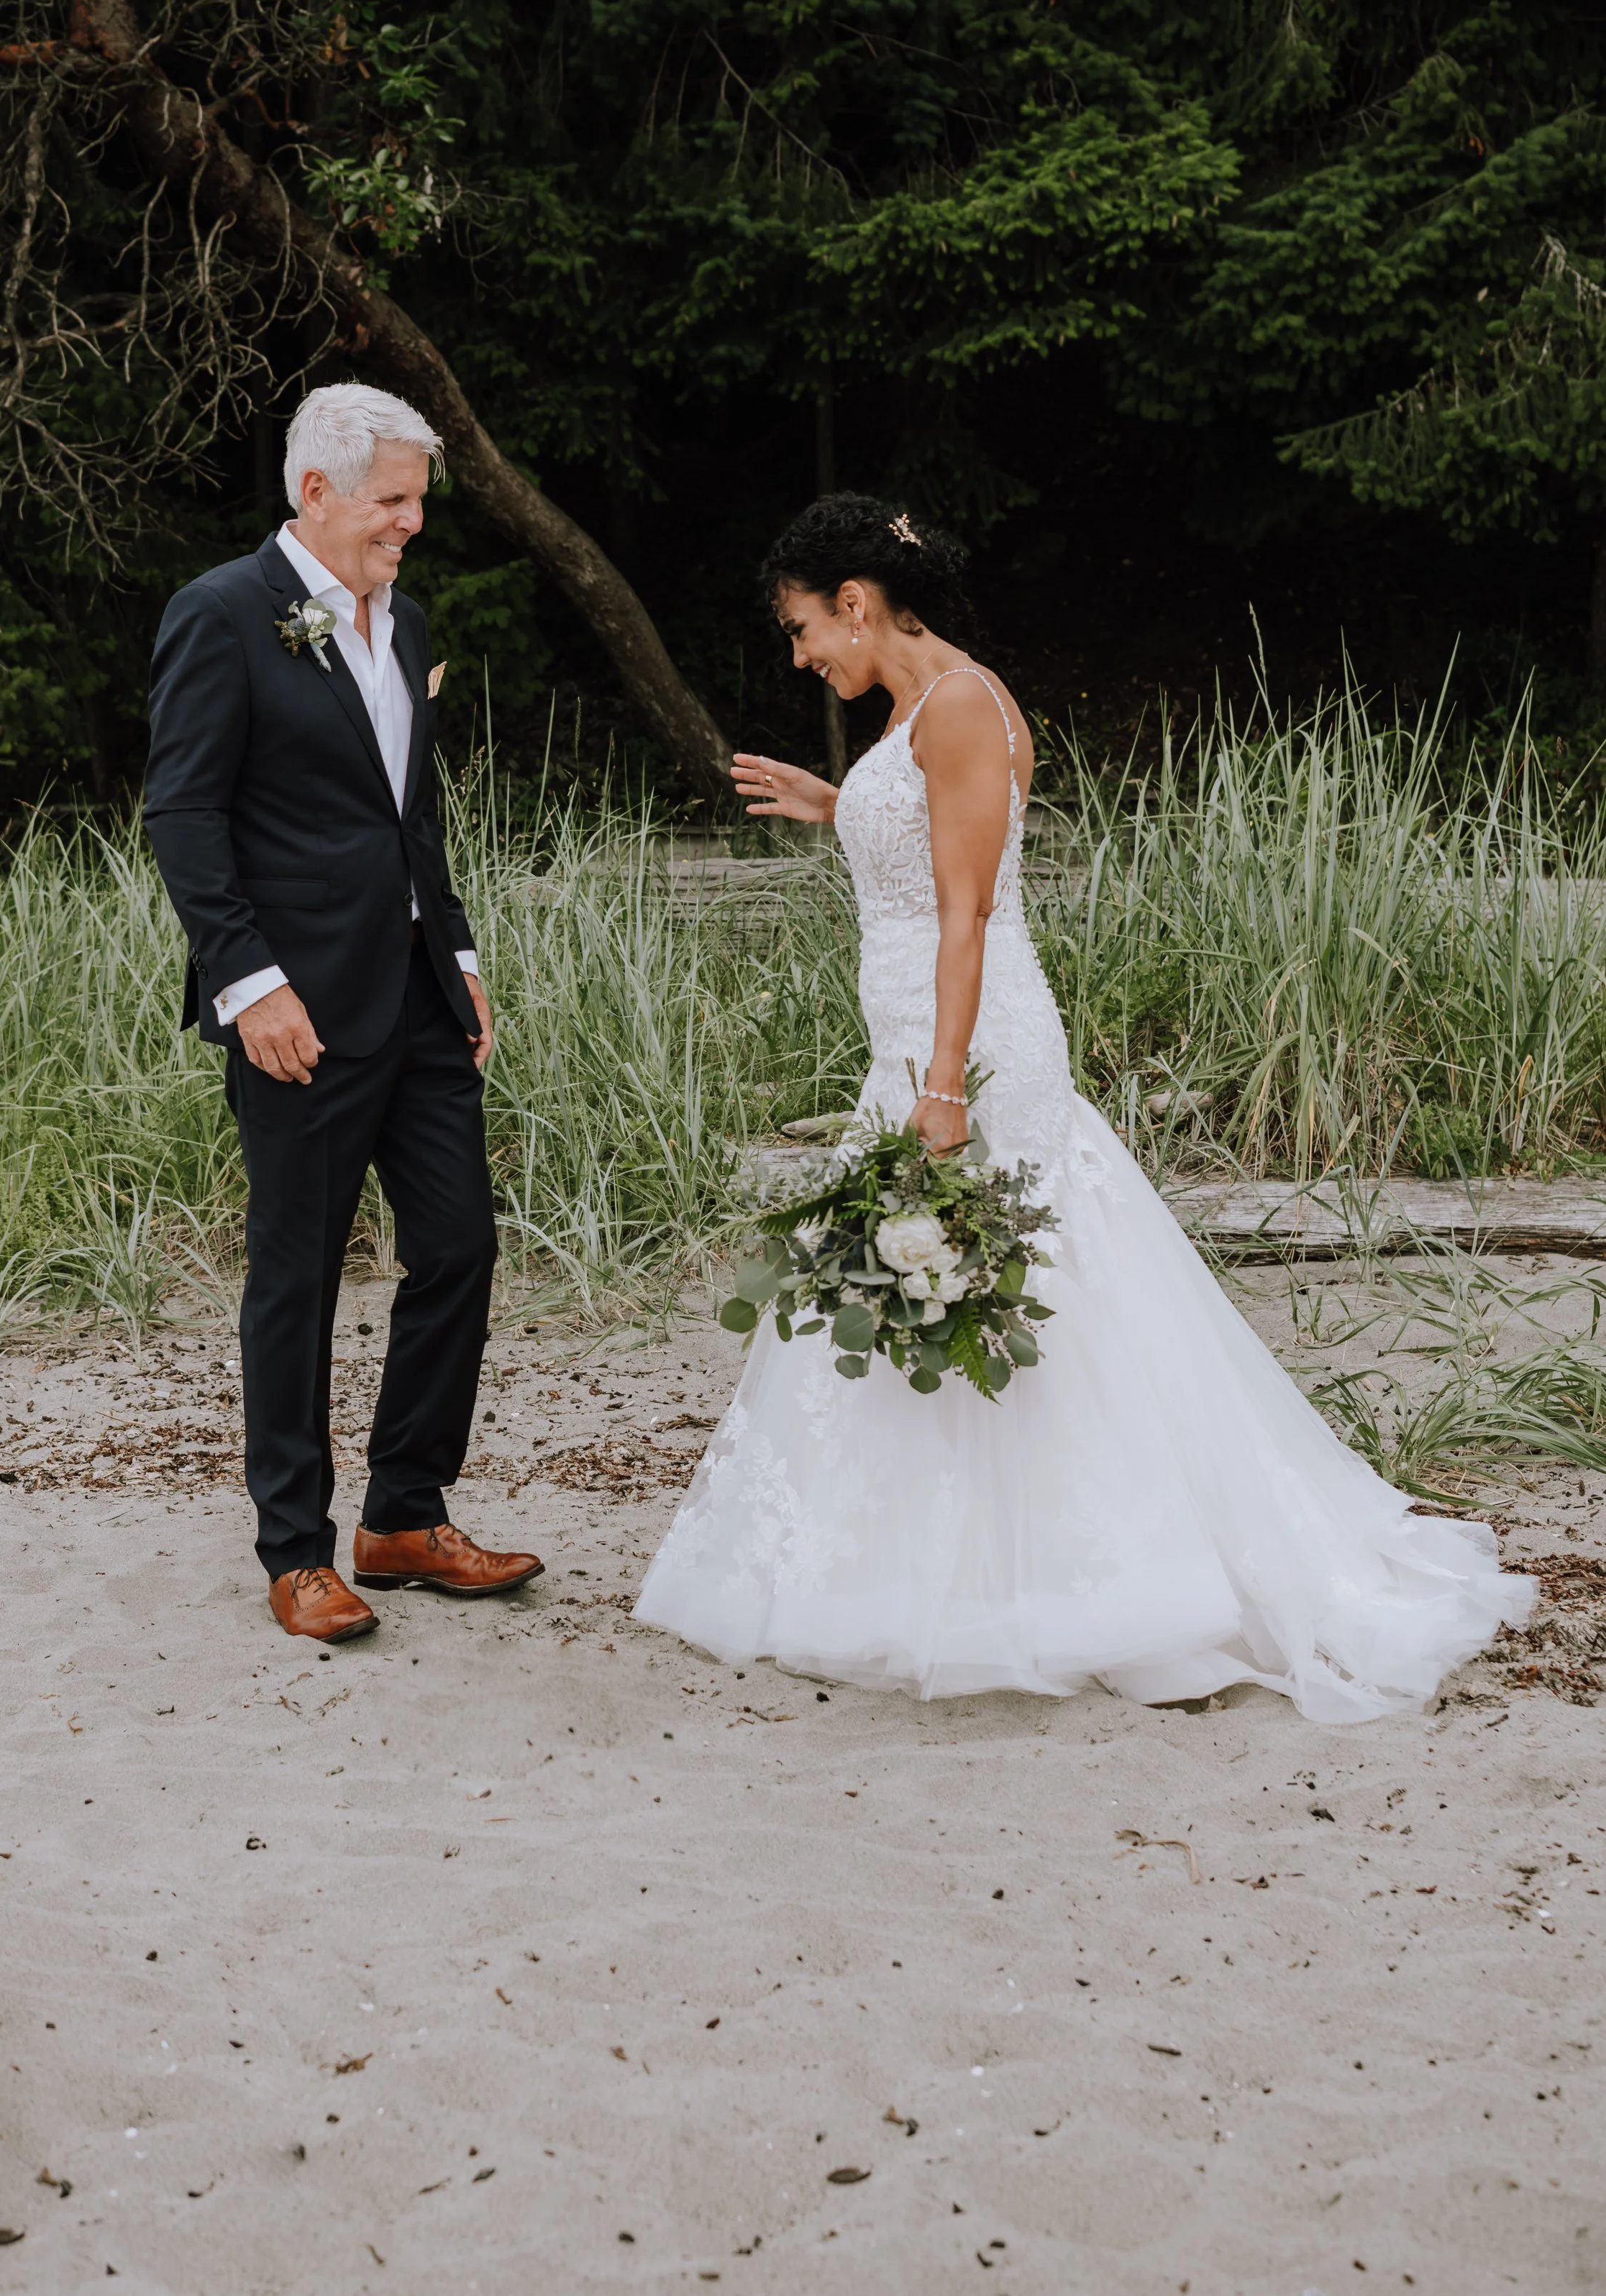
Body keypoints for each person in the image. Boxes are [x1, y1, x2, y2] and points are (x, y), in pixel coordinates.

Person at [635, 495, 1533, 1717]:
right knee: (943, 1279)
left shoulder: (958, 706)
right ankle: (921, 1569)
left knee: (1010, 1278)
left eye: (804, 629)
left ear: (856, 602)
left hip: (966, 1050)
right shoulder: (929, 706)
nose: (803, 656)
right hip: (920, 1039)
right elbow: (937, 848)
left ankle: (1067, 1576)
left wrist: (946, 1085)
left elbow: (969, 910)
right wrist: (837, 804)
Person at [145, 381, 542, 1643]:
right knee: (299, 1275)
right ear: (313, 490)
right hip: (298, 1009)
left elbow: (407, 814)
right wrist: (247, 982)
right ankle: (299, 1548)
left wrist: (460, 945)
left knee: (461, 1245)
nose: (412, 522)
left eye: (419, 500)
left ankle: (405, 1515)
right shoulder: (222, 615)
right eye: (394, 498)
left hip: (420, 997)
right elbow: (184, 815)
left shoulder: (400, 618)